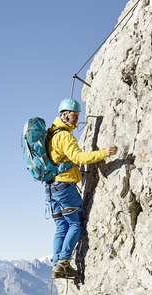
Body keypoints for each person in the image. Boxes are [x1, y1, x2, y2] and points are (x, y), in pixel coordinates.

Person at [46, 98, 119, 279]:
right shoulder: (64, 136)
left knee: (61, 226)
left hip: (51, 189)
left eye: (78, 115)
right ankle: (63, 262)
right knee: (75, 224)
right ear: (64, 114)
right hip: (64, 187)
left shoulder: (50, 135)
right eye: (74, 115)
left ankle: (57, 264)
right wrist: (104, 153)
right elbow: (78, 158)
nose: (77, 118)